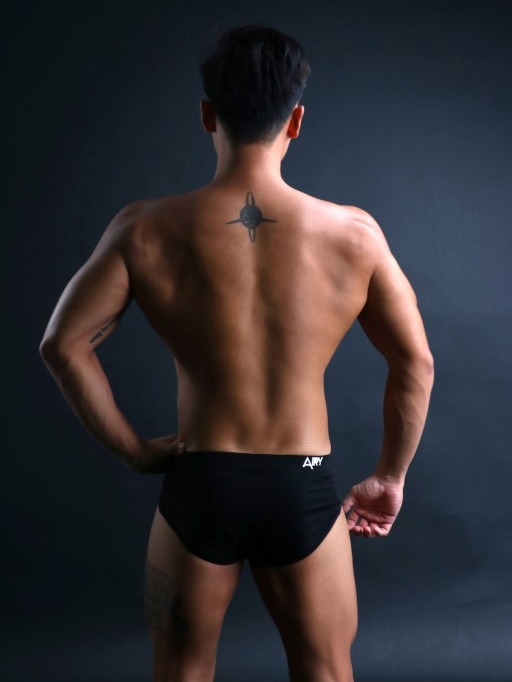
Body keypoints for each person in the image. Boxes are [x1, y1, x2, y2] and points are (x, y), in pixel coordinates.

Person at [39, 24, 434, 682]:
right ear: (296, 121)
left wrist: (134, 451)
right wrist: (389, 477)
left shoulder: (143, 230)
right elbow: (416, 363)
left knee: (181, 671)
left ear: (206, 115)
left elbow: (62, 343)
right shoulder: (355, 236)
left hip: (201, 482)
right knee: (325, 671)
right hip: (301, 483)